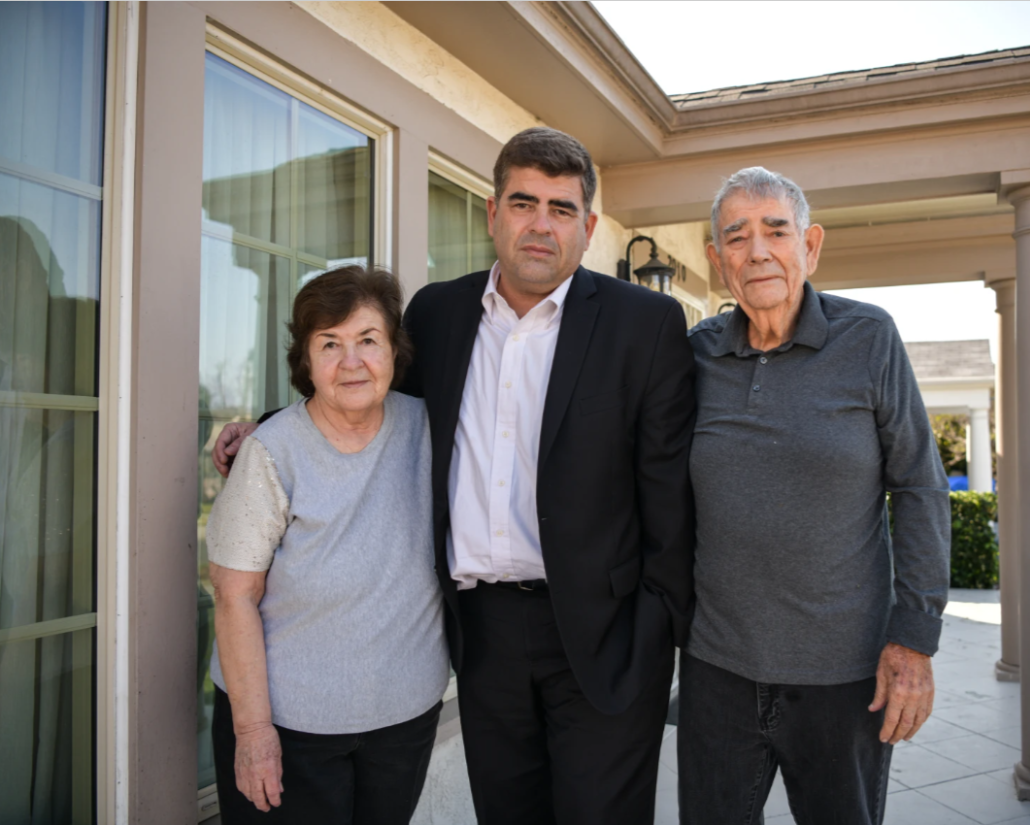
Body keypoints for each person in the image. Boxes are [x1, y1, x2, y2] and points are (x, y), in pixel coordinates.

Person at [217, 126, 696, 824]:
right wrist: (268, 429)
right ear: (492, 212)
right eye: (524, 202)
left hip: (605, 633)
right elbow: (364, 390)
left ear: (589, 227)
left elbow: (667, 490)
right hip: (483, 634)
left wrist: (657, 628)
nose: (541, 224)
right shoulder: (440, 313)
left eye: (561, 209)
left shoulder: (645, 323)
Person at [678, 167, 951, 825]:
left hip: (845, 676)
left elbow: (918, 484)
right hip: (718, 668)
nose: (759, 251)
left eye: (777, 230)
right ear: (717, 261)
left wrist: (913, 638)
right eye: (737, 238)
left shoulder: (870, 340)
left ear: (811, 245)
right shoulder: (693, 356)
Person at [207, 266, 449, 825]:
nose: (351, 361)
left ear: (394, 349)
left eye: (368, 340)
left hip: (403, 723)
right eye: (330, 344)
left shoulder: (433, 428)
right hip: (289, 733)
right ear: (306, 360)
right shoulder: (271, 452)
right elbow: (233, 596)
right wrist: (254, 733)